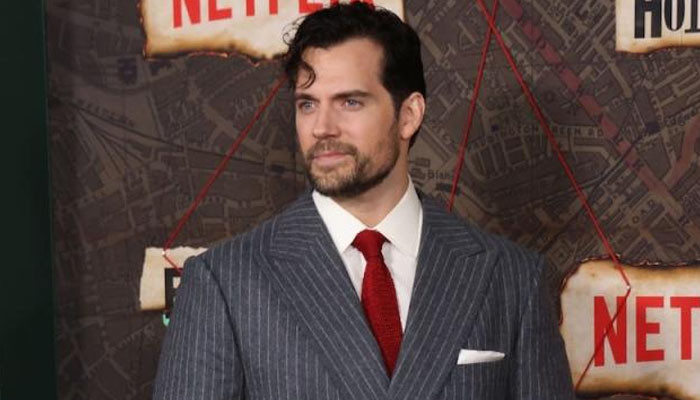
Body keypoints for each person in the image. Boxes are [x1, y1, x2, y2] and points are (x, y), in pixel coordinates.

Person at [153, 3, 575, 399]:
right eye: (307, 104)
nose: (322, 127)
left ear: (408, 115)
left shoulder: (514, 279)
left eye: (350, 102)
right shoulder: (225, 283)